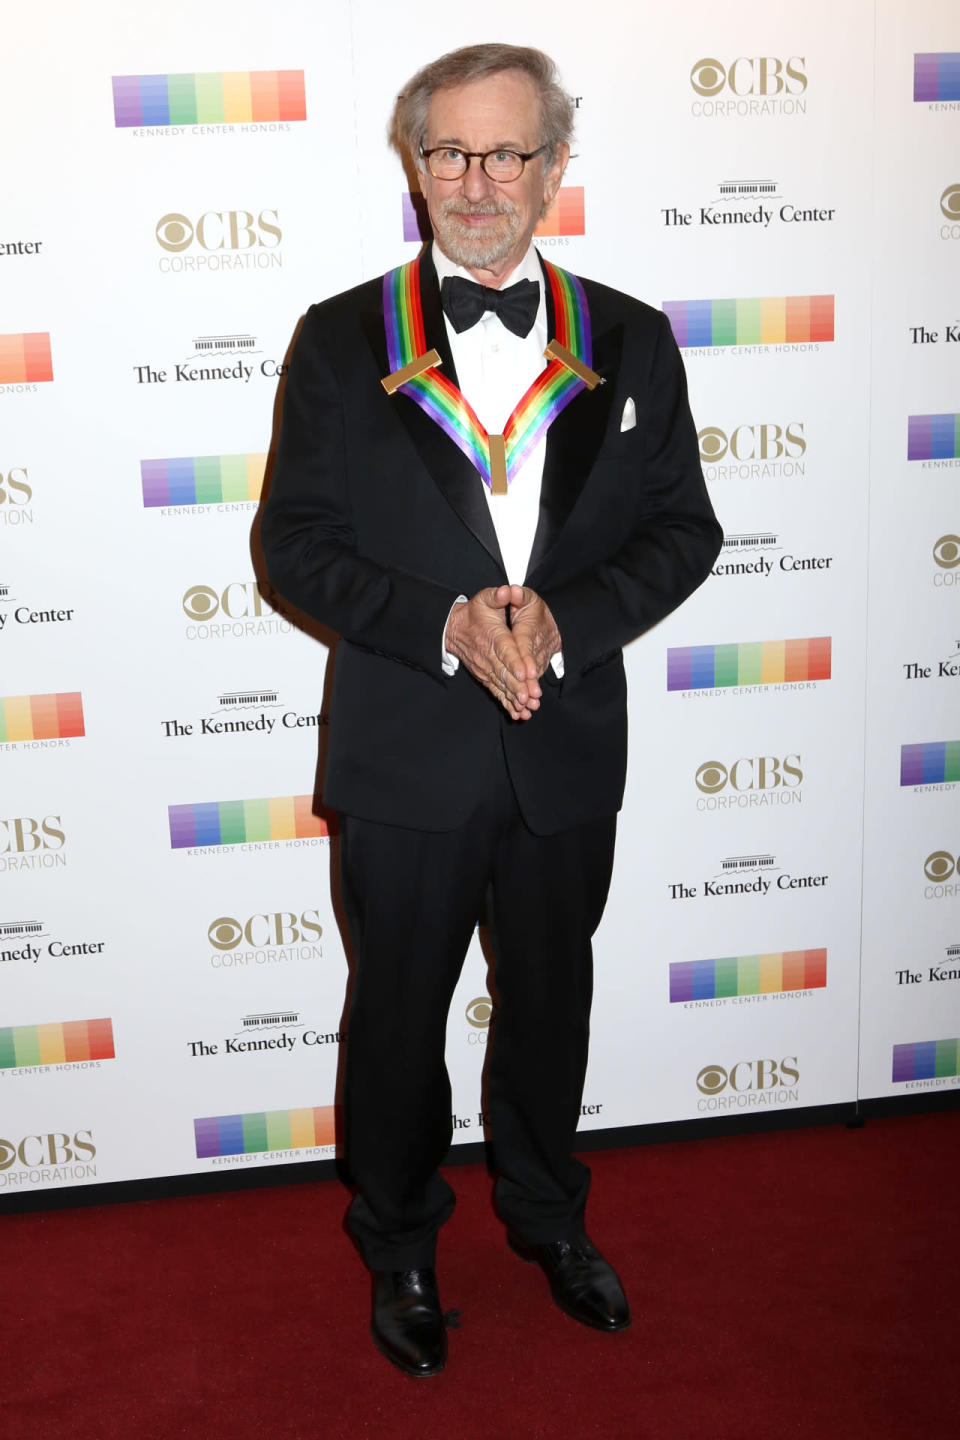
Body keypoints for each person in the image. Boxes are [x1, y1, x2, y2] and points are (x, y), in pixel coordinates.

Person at [260, 42, 722, 1377]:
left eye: (507, 152)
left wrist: (569, 622)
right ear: (414, 166)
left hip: (565, 752)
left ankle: (546, 1218)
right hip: (407, 745)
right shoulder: (341, 339)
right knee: (399, 1017)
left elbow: (684, 532)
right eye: (450, 151)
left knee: (550, 1007)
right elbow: (295, 543)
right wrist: (442, 622)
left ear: (554, 170)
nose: (478, 180)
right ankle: (399, 1240)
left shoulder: (631, 337)